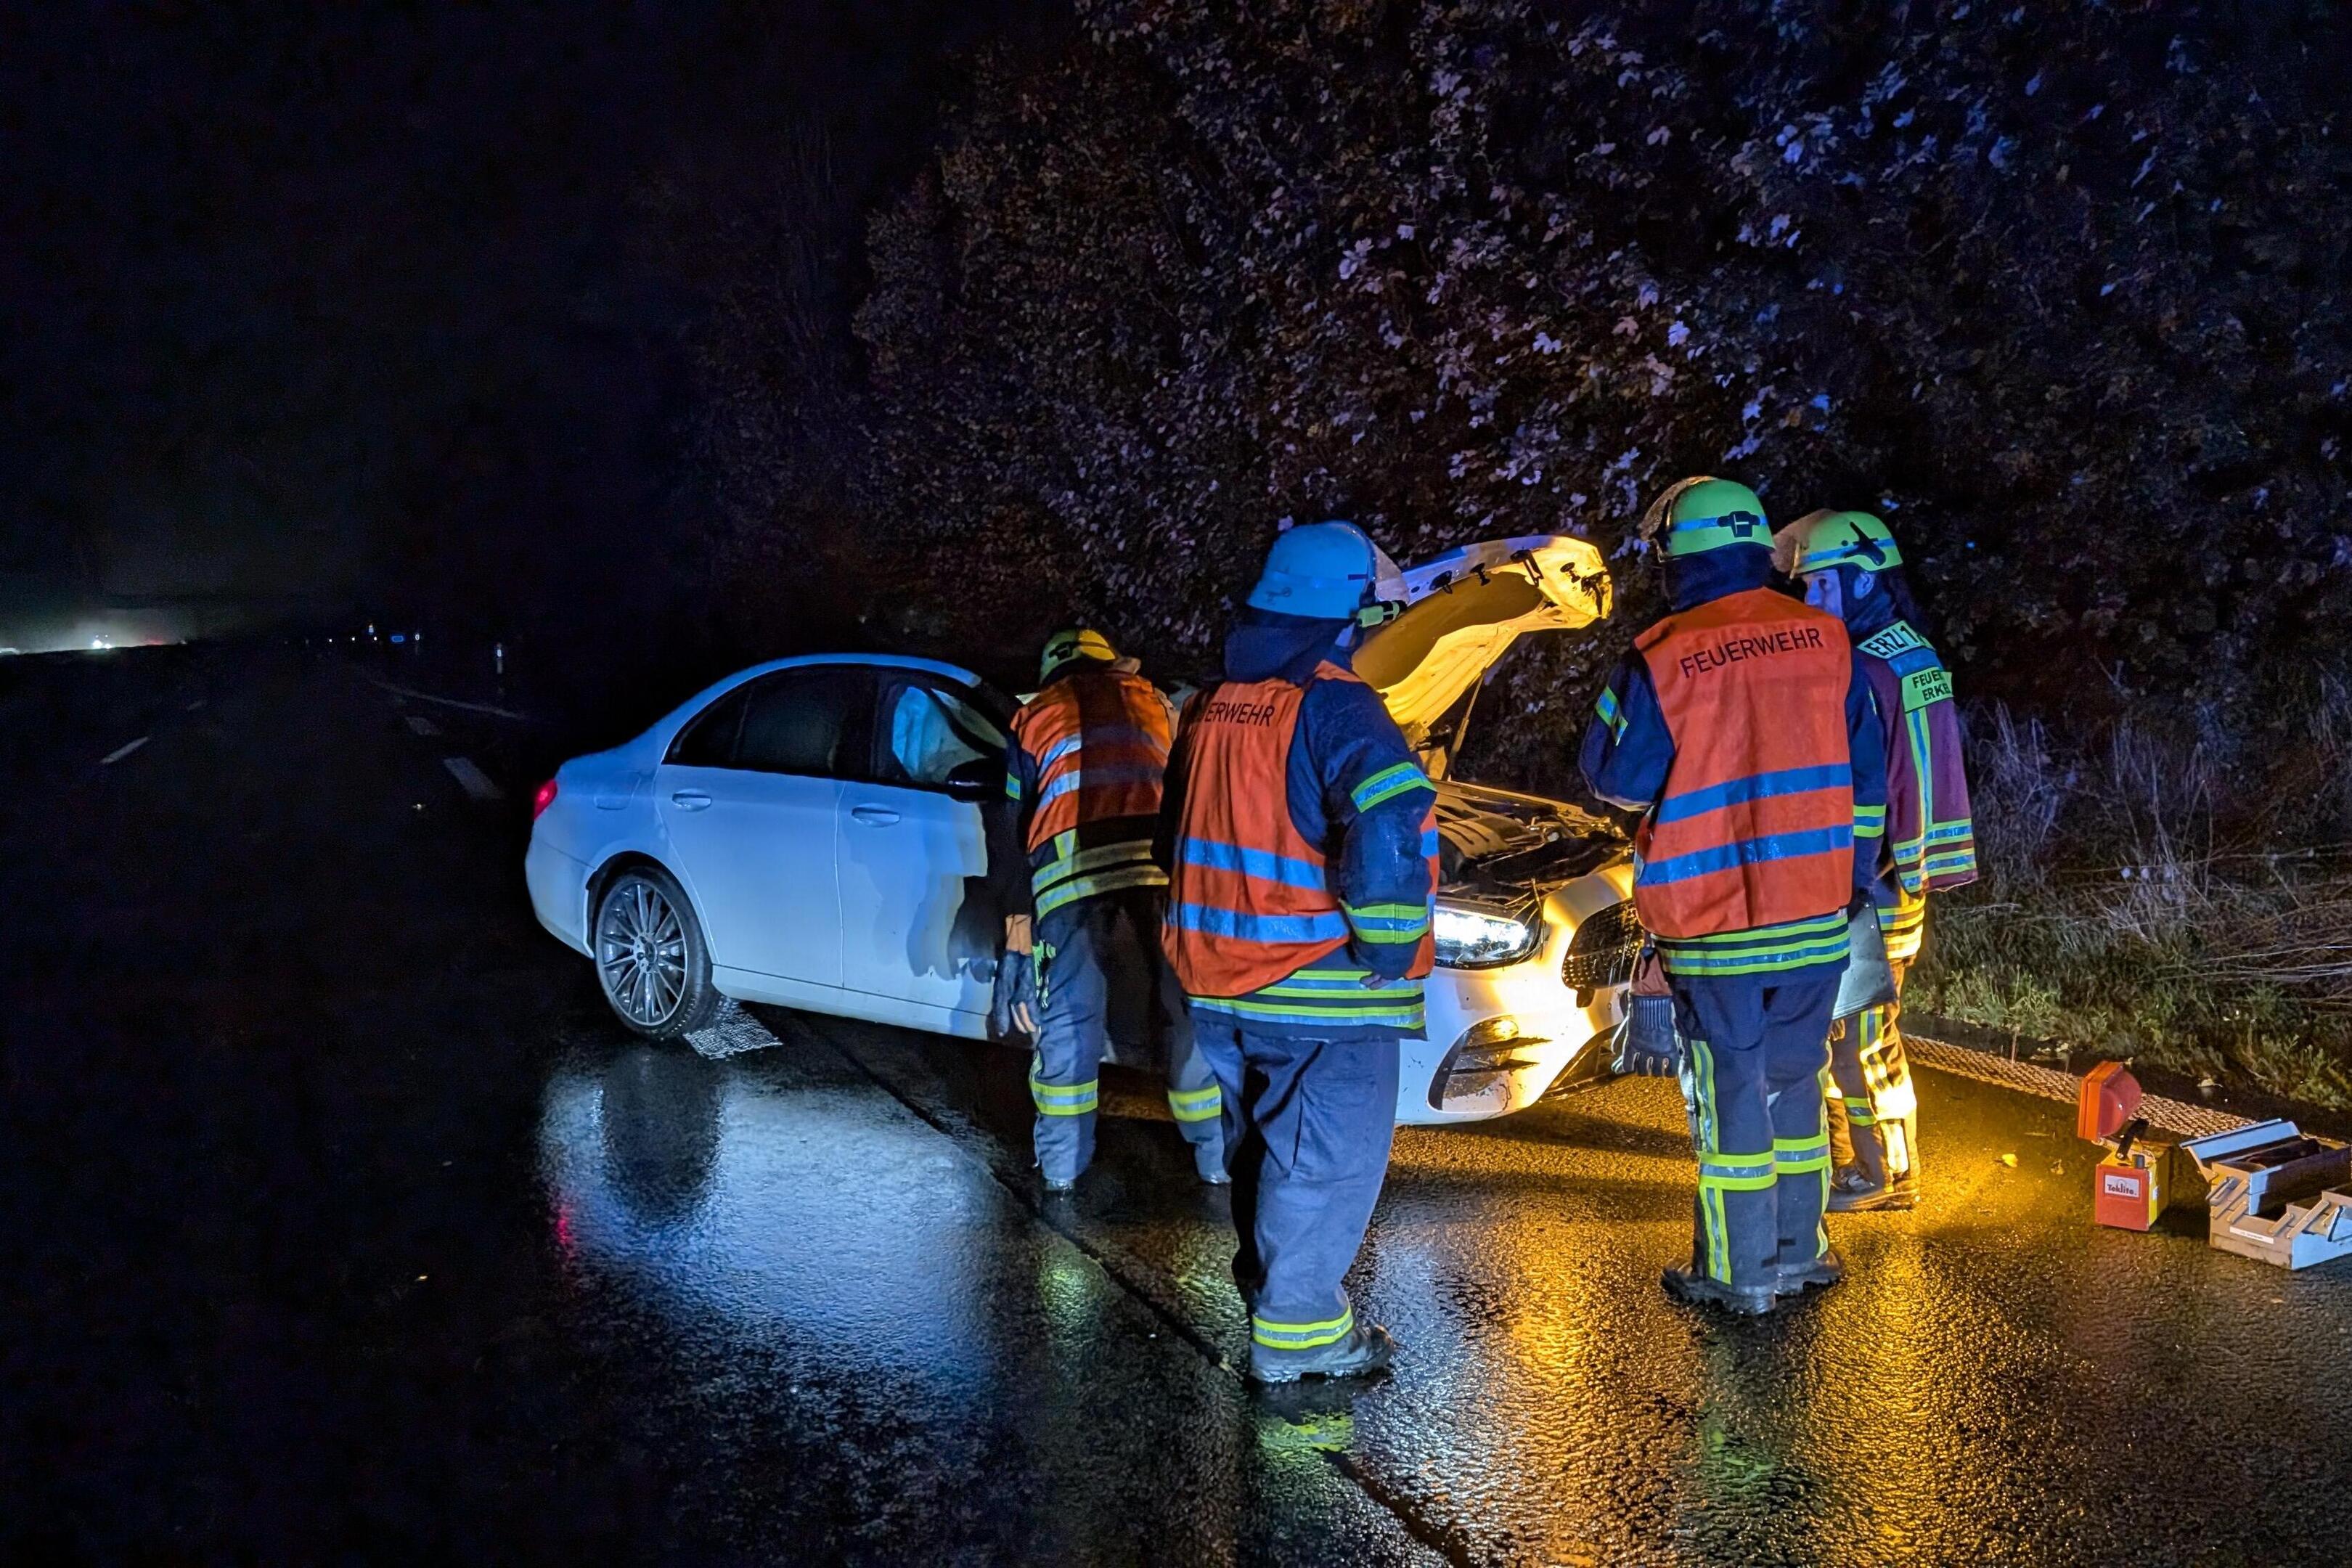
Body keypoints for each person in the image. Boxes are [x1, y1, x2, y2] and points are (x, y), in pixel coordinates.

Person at [1580, 477, 1887, 1315]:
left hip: (1717, 926)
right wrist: (1852, 882)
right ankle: (1802, 1251)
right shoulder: (1831, 641)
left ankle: (1739, 1271)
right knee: (1796, 1080)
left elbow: (1614, 778)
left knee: (1731, 1096)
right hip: (1820, 913)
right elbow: (1869, 787)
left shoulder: (1663, 652)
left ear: (1679, 555)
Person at [1159, 520, 1437, 1383]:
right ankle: (1300, 1342)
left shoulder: (1213, 704)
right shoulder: (1336, 702)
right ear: (1342, 613)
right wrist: (1389, 948)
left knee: (1262, 1159)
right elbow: (1389, 822)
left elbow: (1182, 829)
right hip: (1323, 991)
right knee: (1322, 1170)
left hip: (1220, 987)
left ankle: (1272, 1296)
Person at [1775, 510, 1977, 1212]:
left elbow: (1861, 790)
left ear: (1861, 581)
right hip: (1907, 876)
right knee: (1870, 1031)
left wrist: (1843, 879)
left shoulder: (1860, 667)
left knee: (1858, 1036)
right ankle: (1882, 1165)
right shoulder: (1911, 652)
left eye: (1821, 587)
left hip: (1870, 885)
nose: (1810, 604)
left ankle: (1881, 1174)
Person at [996, 628, 1225, 1192]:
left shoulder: (1034, 717)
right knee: (1185, 1012)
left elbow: (1008, 826)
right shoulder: (1153, 702)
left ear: (1052, 672)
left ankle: (1060, 1171)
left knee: (1070, 1023)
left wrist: (1015, 920)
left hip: (1071, 881)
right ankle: (1217, 1161)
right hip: (1158, 872)